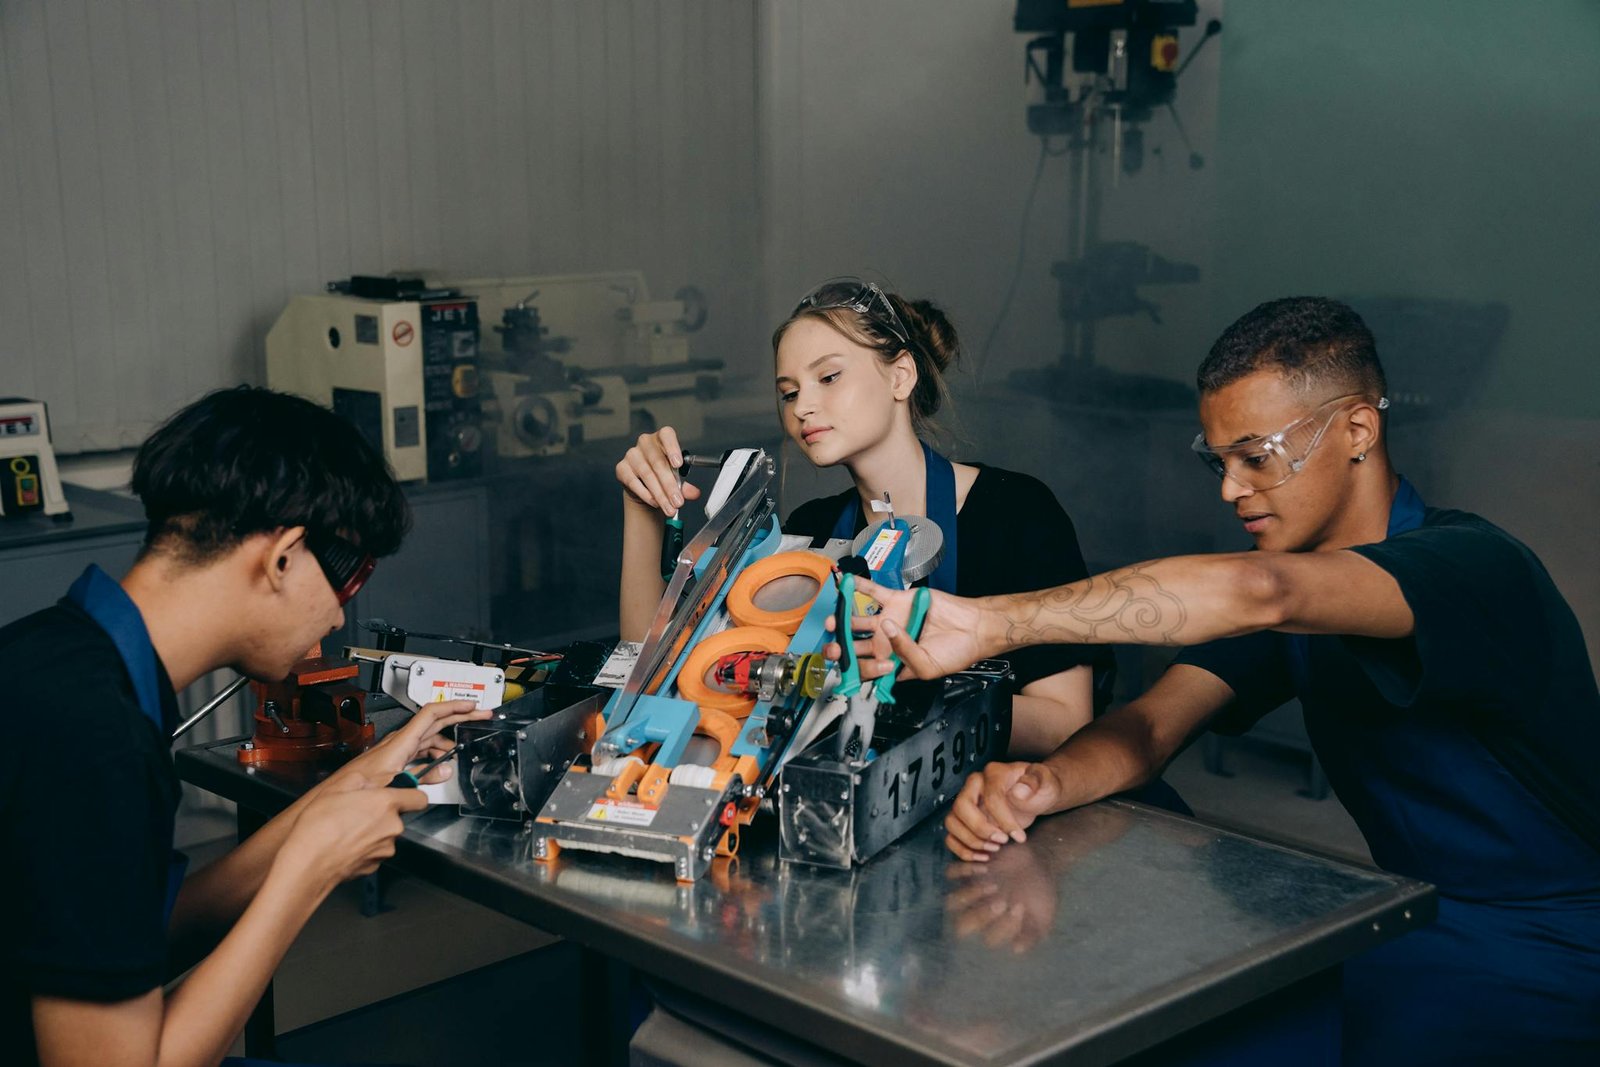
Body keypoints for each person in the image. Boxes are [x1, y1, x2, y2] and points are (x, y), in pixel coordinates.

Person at [847, 297, 1600, 1063]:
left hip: (1550, 948)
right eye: (1219, 461)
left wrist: (989, 623)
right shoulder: (1299, 602)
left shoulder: (1475, 568)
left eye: (1257, 457)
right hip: (1404, 916)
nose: (1230, 489)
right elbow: (1151, 727)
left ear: (1359, 432)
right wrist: (1044, 783)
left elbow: (1259, 592)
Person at [0, 387, 491, 1067]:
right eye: (349, 585)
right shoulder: (93, 739)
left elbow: (128, 938)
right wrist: (309, 873)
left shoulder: (58, 658)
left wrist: (355, 782)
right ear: (283, 556)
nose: (336, 621)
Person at [615, 277, 1112, 758]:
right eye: (788, 392)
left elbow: (1064, 722)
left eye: (828, 377)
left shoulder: (1017, 511)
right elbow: (650, 673)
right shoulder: (814, 534)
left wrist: (910, 692)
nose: (803, 407)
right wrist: (641, 511)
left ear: (901, 376)